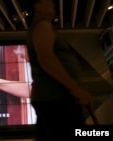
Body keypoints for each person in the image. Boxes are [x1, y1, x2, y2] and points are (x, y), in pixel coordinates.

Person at [27, 0, 93, 140]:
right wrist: (76, 89)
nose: (53, 6)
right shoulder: (42, 26)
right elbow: (47, 59)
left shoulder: (39, 27)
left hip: (51, 98)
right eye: (49, 3)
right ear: (37, 6)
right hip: (56, 98)